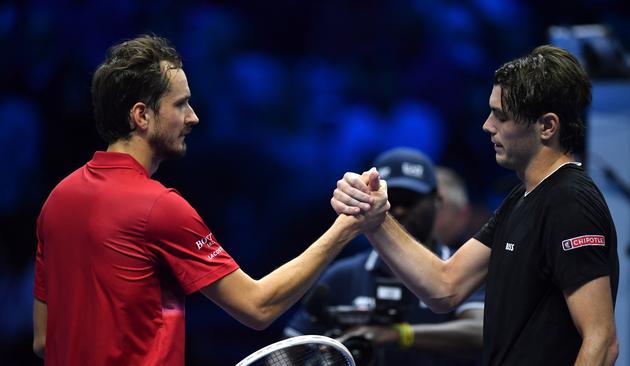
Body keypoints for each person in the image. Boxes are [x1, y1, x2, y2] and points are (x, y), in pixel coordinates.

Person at [31, 35, 389, 365]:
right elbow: (258, 306)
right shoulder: (158, 206)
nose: (193, 117)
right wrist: (346, 227)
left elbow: (44, 340)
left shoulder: (57, 201)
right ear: (141, 115)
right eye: (181, 104)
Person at [331, 45, 619, 365]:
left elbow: (601, 341)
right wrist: (376, 217)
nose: (487, 126)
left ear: (547, 126)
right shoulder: (521, 199)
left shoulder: (570, 202)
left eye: (501, 116)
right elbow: (445, 286)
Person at [285, 147, 484, 366]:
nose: (398, 211)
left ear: (437, 201)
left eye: (409, 201)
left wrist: (396, 334)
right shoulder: (342, 276)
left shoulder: (466, 267)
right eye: (390, 200)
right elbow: (285, 354)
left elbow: (481, 332)